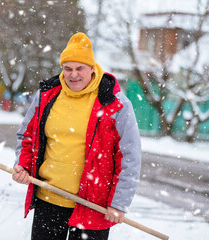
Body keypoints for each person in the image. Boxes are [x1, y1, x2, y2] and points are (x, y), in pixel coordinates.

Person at [13, 32, 141, 240]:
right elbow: (27, 136)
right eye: (67, 68)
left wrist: (119, 203)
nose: (73, 75)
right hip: (48, 200)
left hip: (92, 208)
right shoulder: (47, 96)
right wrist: (23, 165)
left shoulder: (115, 104)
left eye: (80, 68)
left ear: (92, 68)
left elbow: (129, 157)